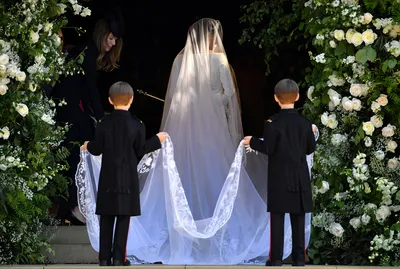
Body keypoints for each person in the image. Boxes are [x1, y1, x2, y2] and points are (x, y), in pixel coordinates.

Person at [81, 81, 168, 266]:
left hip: (108, 179)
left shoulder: (103, 123)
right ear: (132, 99)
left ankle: (104, 258)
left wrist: (88, 144)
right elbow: (141, 149)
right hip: (127, 180)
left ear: (110, 100)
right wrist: (157, 140)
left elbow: (97, 149)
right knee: (123, 219)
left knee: (106, 217)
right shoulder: (137, 125)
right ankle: (119, 258)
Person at [51, 9, 124, 224]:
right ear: (103, 34)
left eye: (115, 40)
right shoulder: (89, 51)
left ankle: (70, 207)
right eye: (110, 39)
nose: (111, 44)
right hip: (71, 111)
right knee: (76, 156)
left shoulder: (86, 50)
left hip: (71, 110)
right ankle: (73, 207)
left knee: (75, 156)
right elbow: (90, 89)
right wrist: (101, 119)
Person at [243, 79, 316, 266]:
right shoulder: (305, 123)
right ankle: (299, 259)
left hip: (279, 178)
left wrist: (251, 141)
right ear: (298, 96)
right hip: (299, 177)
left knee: (277, 219)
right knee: (298, 218)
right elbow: (309, 149)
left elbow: (268, 147)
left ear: (276, 98)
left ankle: (275, 259)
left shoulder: (272, 123)